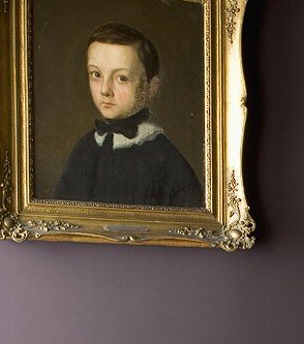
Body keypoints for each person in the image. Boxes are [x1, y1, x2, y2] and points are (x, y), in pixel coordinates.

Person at [54, 22, 203, 208]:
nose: (104, 89)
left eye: (121, 78)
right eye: (96, 74)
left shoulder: (166, 160)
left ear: (151, 88)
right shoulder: (85, 148)